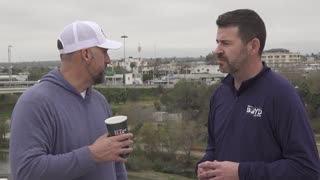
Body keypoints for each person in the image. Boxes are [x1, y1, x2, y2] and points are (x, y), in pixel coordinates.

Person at [196, 9, 320, 180]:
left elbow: (307, 170)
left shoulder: (282, 95)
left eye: (225, 43)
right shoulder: (220, 93)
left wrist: (240, 173)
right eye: (217, 42)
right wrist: (205, 165)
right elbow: (213, 147)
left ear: (253, 46)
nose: (217, 50)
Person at [9, 21, 134, 180]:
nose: (109, 60)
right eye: (104, 52)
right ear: (86, 54)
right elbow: (26, 171)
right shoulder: (34, 103)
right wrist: (92, 155)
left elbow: (116, 165)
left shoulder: (99, 101)